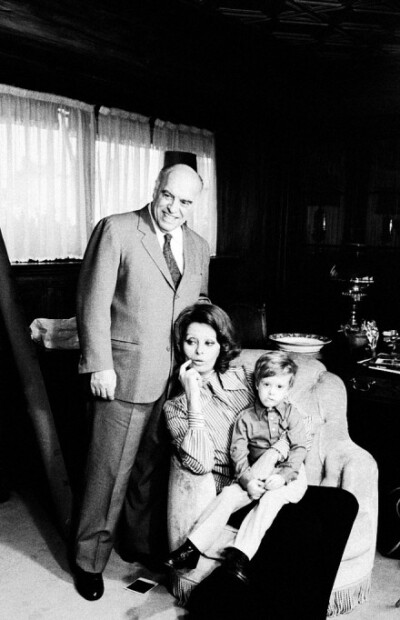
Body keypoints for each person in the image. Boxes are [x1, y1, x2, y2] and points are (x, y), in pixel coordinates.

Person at [163, 303, 359, 620]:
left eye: (209, 342)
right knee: (304, 526)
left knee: (344, 503)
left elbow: (298, 422)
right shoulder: (175, 407)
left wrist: (275, 454)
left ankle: (302, 610)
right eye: (191, 341)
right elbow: (198, 463)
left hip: (275, 478)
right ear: (180, 345)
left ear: (222, 345)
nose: (199, 352)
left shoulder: (245, 377)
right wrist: (194, 399)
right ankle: (218, 602)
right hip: (240, 492)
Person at [72, 163, 210, 601]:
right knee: (108, 474)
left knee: (149, 472)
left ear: (194, 204)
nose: (174, 207)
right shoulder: (116, 230)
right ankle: (88, 560)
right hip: (123, 376)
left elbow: (197, 306)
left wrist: (204, 359)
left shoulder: (199, 246)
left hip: (174, 381)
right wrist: (99, 364)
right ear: (156, 188)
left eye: (185, 201)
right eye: (168, 195)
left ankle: (134, 545)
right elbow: (91, 300)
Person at [165, 351, 308, 583]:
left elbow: (300, 448)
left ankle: (240, 556)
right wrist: (248, 481)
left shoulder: (292, 414)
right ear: (257, 384)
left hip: (291, 476)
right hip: (257, 472)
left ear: (288, 388)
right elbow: (238, 454)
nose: (272, 392)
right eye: (267, 384)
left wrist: (282, 476)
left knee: (271, 501)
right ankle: (190, 549)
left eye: (280, 387)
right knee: (231, 493)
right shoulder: (245, 418)